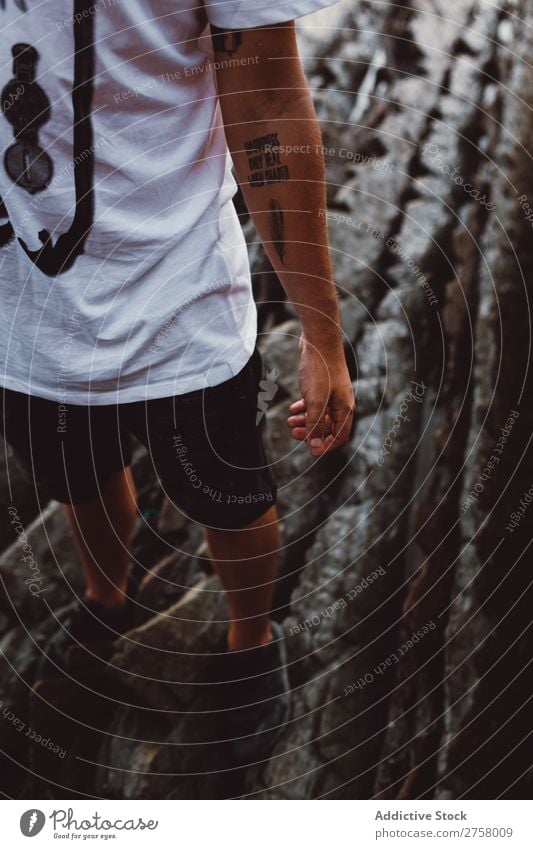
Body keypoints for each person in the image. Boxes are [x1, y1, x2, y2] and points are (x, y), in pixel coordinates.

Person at [0, 0, 355, 762]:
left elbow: (263, 103)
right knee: (76, 473)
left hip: (178, 290)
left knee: (222, 491)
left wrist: (321, 331)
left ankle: (251, 637)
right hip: (18, 308)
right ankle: (107, 595)